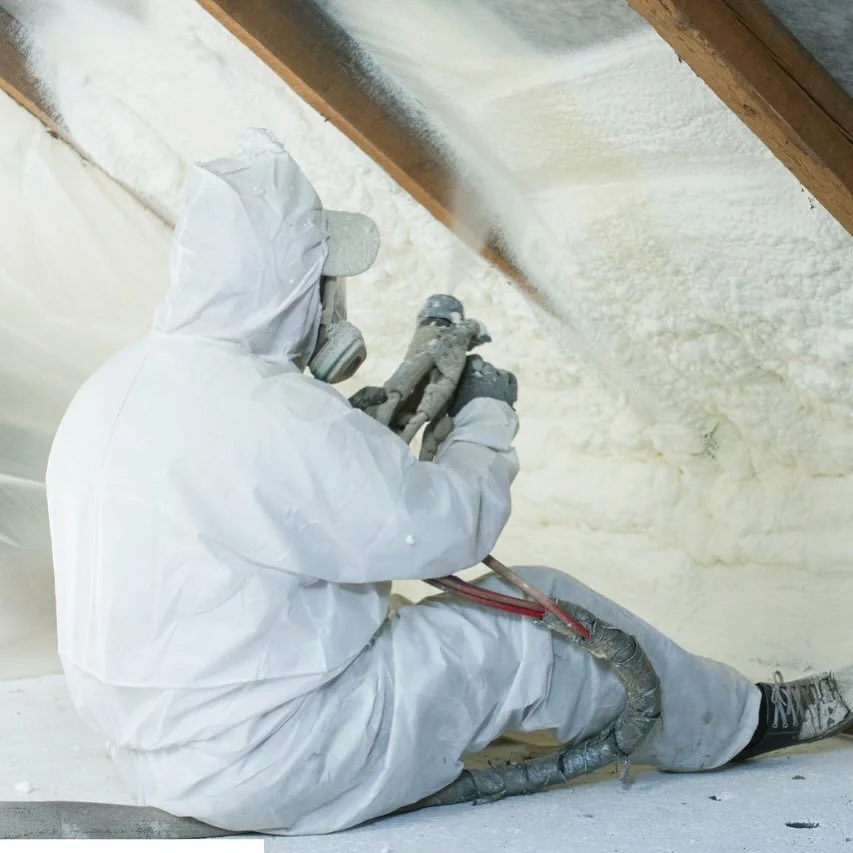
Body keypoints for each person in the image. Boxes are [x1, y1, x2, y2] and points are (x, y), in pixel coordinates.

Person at [46, 130, 853, 836]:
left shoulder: (120, 387)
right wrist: (484, 423)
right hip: (279, 755)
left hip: (158, 751)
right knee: (541, 622)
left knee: (421, 624)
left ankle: (727, 713)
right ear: (290, 281)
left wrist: (362, 431)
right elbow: (445, 530)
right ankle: (747, 722)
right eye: (323, 275)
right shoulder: (272, 414)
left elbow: (265, 509)